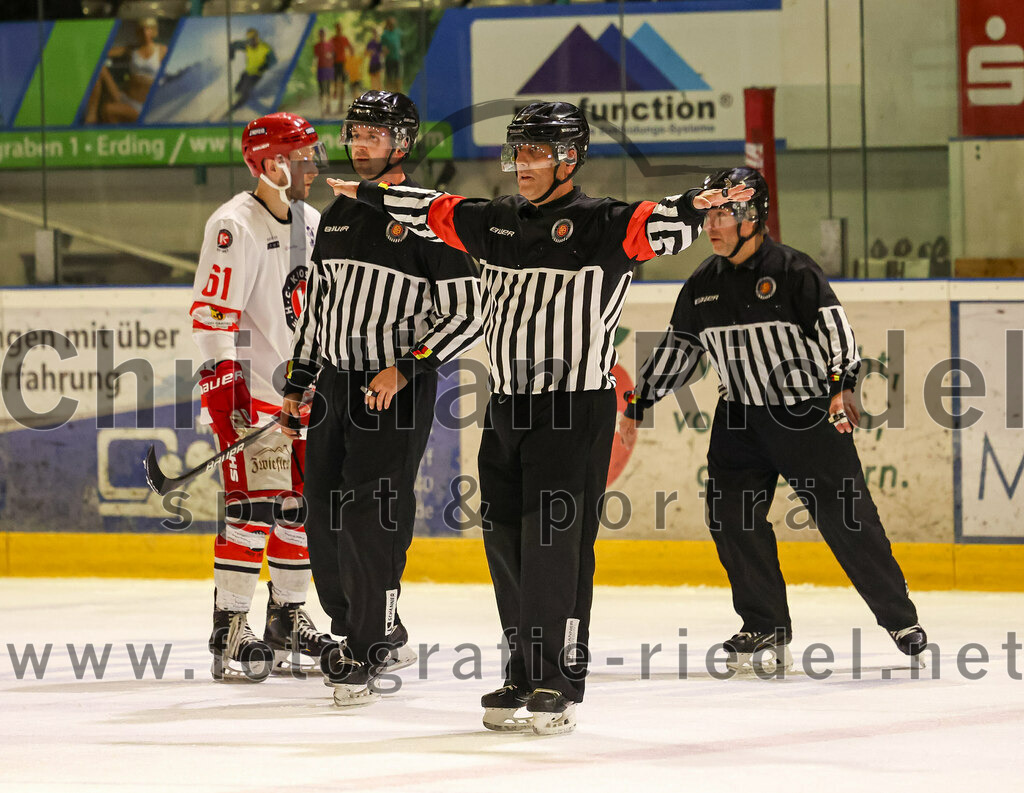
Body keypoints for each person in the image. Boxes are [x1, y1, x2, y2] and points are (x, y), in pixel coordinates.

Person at [326, 102, 749, 734]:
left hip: (574, 407)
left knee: (557, 544)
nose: (521, 164)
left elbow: (662, 220)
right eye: (516, 152)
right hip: (505, 407)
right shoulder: (495, 223)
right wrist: (368, 192)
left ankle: (559, 677)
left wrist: (700, 201)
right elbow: (433, 209)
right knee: (505, 540)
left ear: (570, 158)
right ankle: (523, 668)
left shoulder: (606, 225)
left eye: (534, 153)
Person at [619, 166, 928, 674]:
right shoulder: (701, 285)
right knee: (730, 518)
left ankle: (900, 618)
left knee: (848, 519)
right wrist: (639, 402)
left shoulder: (792, 270)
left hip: (805, 415)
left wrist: (841, 386)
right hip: (738, 419)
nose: (713, 225)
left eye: (725, 214)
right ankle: (765, 625)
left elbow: (837, 333)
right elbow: (679, 350)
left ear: (754, 216)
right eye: (709, 214)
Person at [279, 91, 483, 707]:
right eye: (354, 133)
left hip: (393, 386)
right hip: (338, 386)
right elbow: (321, 308)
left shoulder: (427, 218)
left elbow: (470, 310)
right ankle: (362, 625)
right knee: (321, 509)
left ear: (402, 143)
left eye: (372, 134)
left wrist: (407, 366)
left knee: (370, 513)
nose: (358, 144)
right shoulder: (337, 213)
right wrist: (299, 381)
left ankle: (365, 649)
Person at [190, 112, 335, 682]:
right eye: (302, 156)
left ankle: (286, 619)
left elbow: (318, 310)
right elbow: (211, 313)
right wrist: (224, 397)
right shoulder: (235, 225)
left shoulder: (313, 221)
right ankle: (228, 629)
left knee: (299, 509)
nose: (313, 165)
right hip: (253, 398)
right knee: (254, 510)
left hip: (304, 397)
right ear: (270, 163)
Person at [84, 18, 166, 124]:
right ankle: (91, 115)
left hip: (145, 105)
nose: (145, 32)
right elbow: (102, 53)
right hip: (126, 97)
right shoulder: (131, 50)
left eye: (149, 29)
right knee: (99, 68)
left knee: (110, 110)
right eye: (142, 30)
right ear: (138, 32)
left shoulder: (162, 50)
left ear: (154, 31)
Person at [230, 29, 277, 113]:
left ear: (257, 38)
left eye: (252, 39)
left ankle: (240, 104)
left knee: (246, 90)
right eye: (249, 40)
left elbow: (274, 61)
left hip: (257, 75)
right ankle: (236, 100)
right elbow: (234, 45)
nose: (251, 42)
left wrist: (265, 66)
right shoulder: (247, 45)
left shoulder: (265, 48)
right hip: (247, 73)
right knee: (238, 88)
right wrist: (231, 52)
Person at [332, 23, 354, 113]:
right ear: (336, 29)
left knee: (342, 84)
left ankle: (341, 105)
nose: (339, 30)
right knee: (336, 84)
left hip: (342, 63)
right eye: (337, 28)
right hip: (334, 64)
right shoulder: (333, 39)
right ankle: (335, 94)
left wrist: (350, 59)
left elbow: (351, 48)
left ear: (341, 29)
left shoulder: (344, 39)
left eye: (340, 28)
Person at [312, 28, 334, 118]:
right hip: (320, 69)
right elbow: (315, 58)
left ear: (325, 35)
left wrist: (330, 55)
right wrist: (313, 67)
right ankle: (322, 110)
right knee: (321, 90)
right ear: (319, 35)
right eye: (321, 34)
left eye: (323, 34)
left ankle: (328, 107)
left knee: (328, 89)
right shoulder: (316, 46)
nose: (322, 36)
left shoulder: (329, 45)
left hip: (328, 68)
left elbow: (333, 55)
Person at [380, 18, 402, 93]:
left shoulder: (397, 32)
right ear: (388, 24)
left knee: (398, 78)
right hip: (389, 59)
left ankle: (398, 95)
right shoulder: (385, 35)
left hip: (397, 58)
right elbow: (384, 48)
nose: (394, 25)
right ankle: (389, 96)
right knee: (389, 78)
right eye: (392, 24)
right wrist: (385, 52)